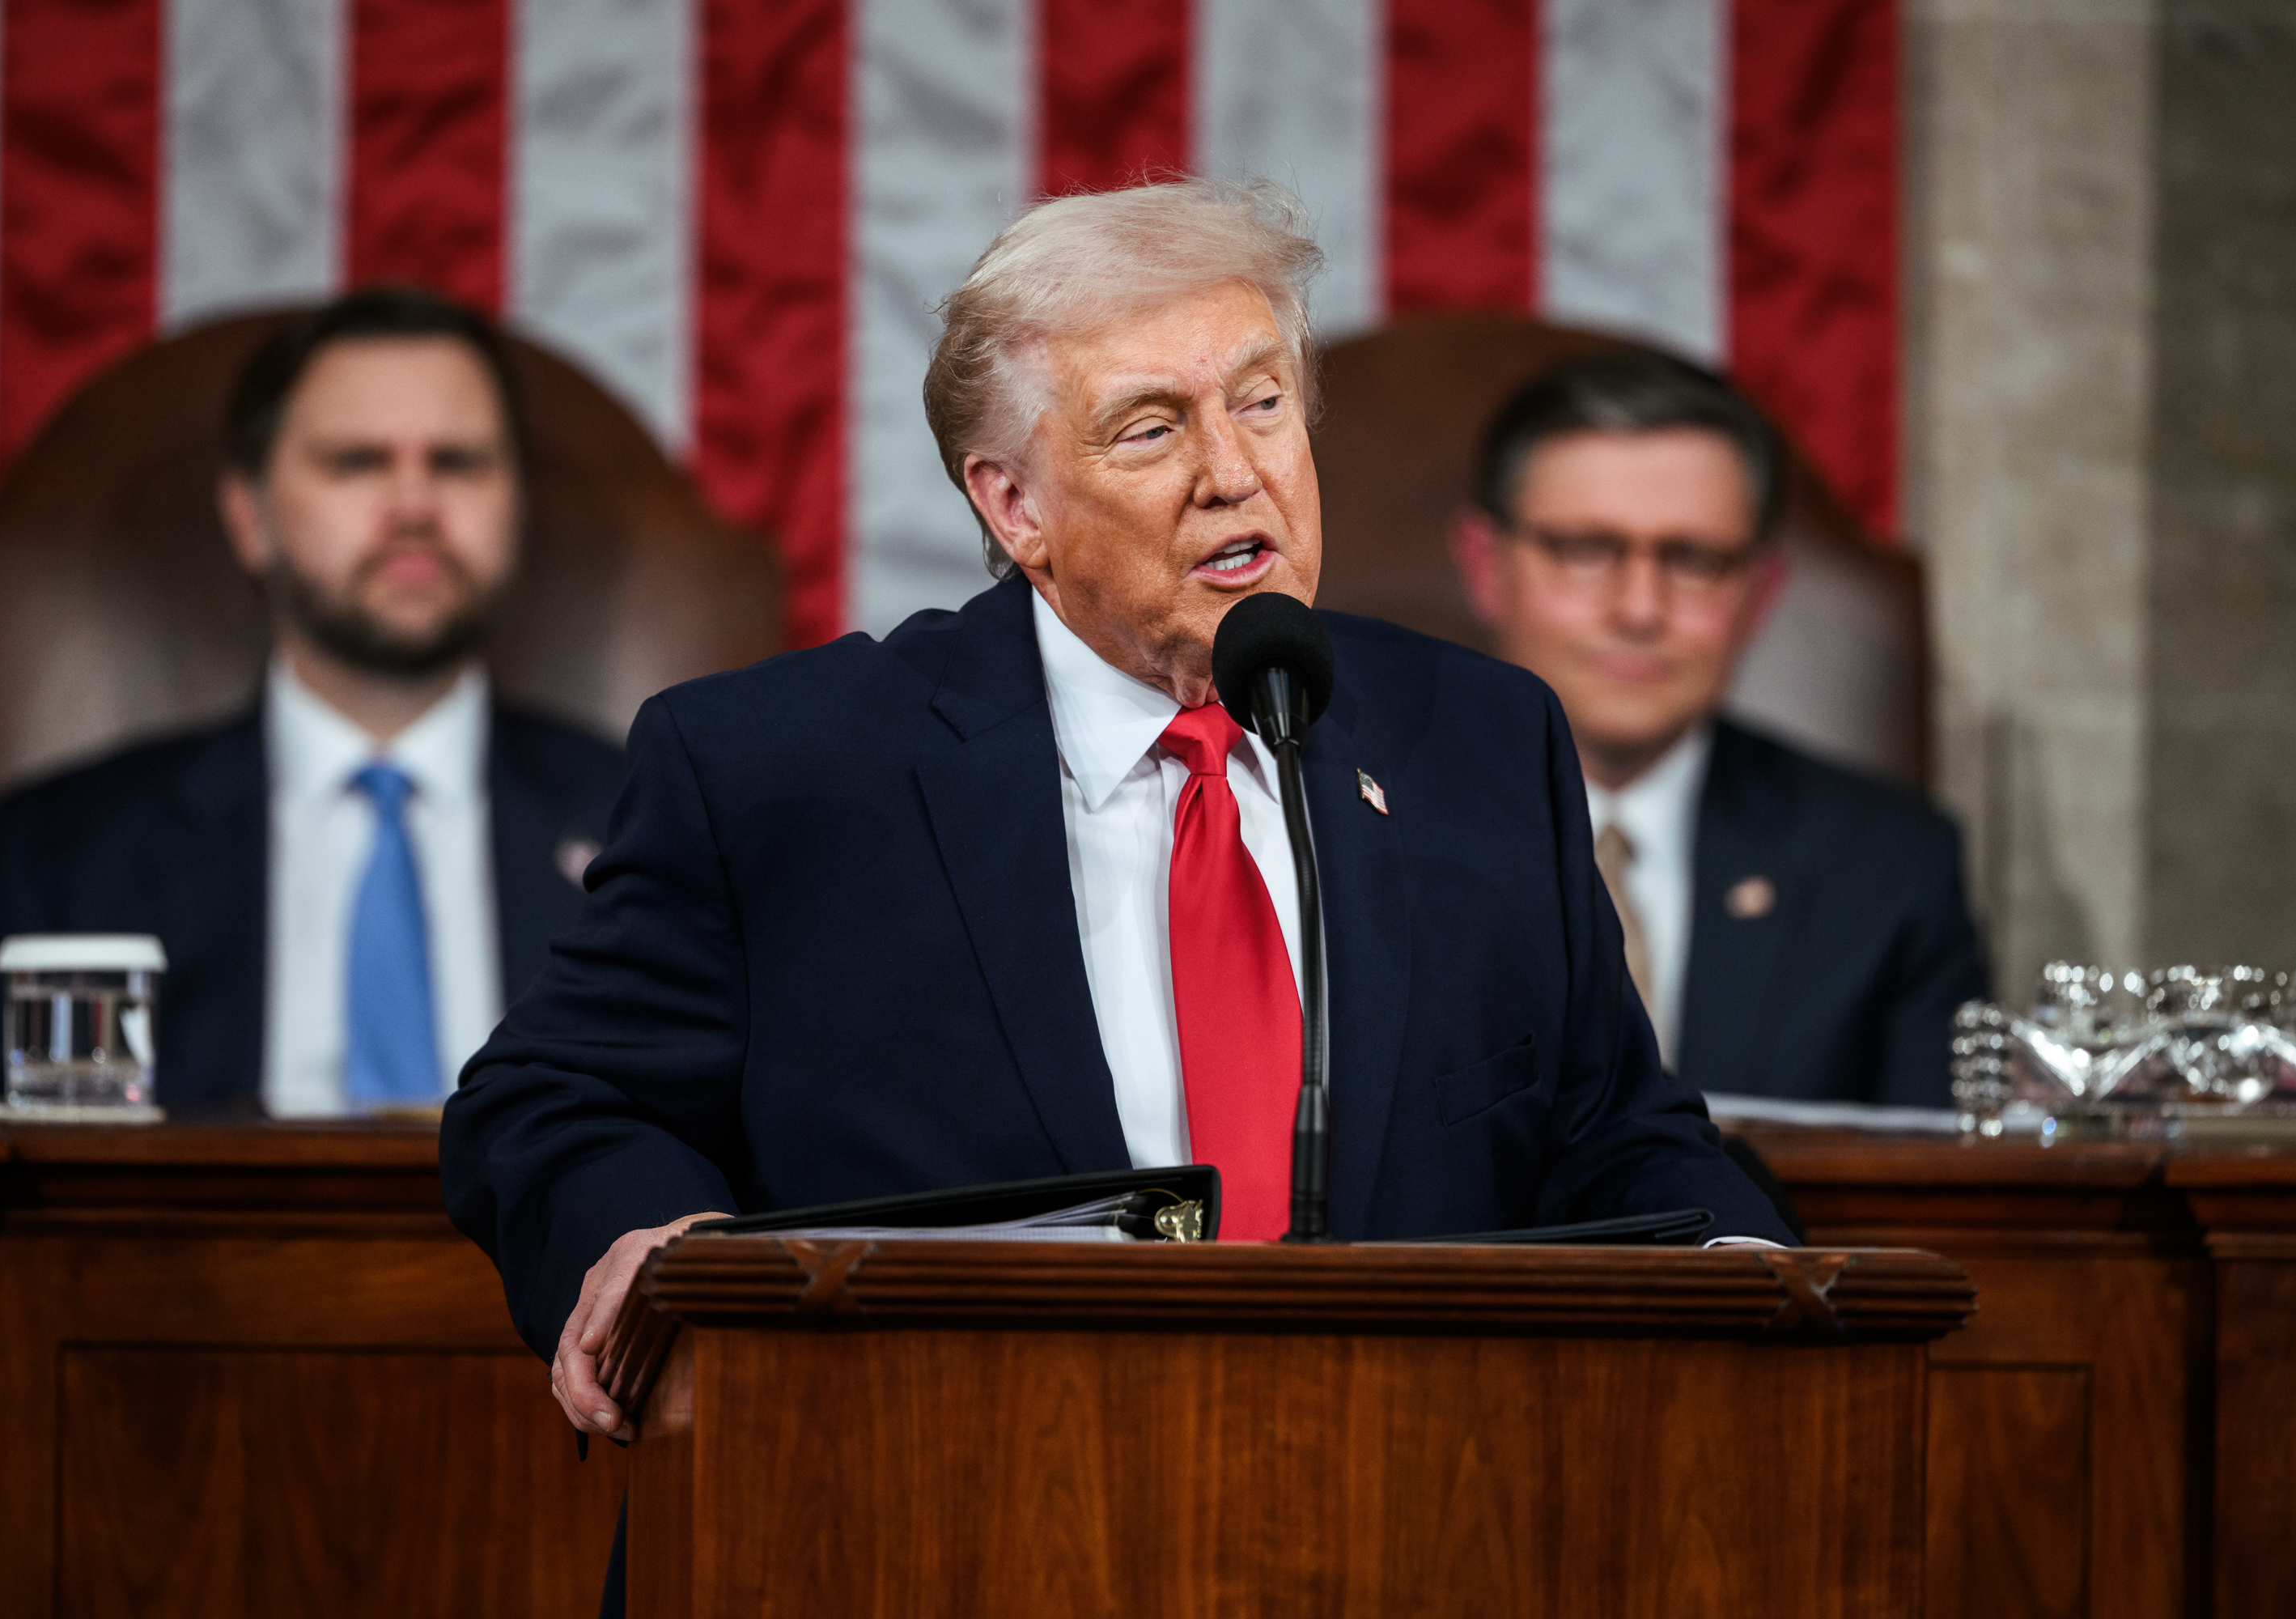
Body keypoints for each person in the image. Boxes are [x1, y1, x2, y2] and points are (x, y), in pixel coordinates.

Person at [438, 180, 1791, 1472]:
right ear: (1015, 505)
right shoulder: (784, 767)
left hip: (1406, 1509)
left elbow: (1614, 1130)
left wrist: (1742, 1273)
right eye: (1151, 429)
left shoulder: (1479, 743)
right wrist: (655, 1239)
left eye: (1263, 403)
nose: (1234, 471)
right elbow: (555, 1098)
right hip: (930, 1512)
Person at [0, 287, 625, 1116]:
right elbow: (0, 1200)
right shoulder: (63, 856)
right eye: (356, 462)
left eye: (458, 463)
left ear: (515, 505)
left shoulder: (653, 831)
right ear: (249, 517)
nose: (414, 506)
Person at [1449, 350, 1984, 1107]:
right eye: (1586, 551)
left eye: (1692, 559)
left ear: (1759, 594)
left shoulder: (1890, 872)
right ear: (1484, 566)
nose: (1639, 609)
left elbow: (1937, 1204)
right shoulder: (1350, 828)